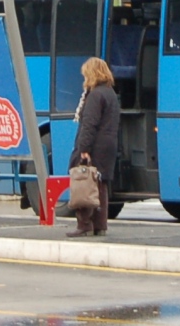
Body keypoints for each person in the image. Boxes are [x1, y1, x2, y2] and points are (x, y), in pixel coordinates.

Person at [66, 57, 120, 238]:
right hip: (108, 145)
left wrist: (84, 148)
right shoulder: (111, 93)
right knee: (100, 186)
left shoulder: (95, 95)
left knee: (83, 181)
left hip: (95, 145)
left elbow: (89, 124)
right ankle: (100, 225)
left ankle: (84, 225)